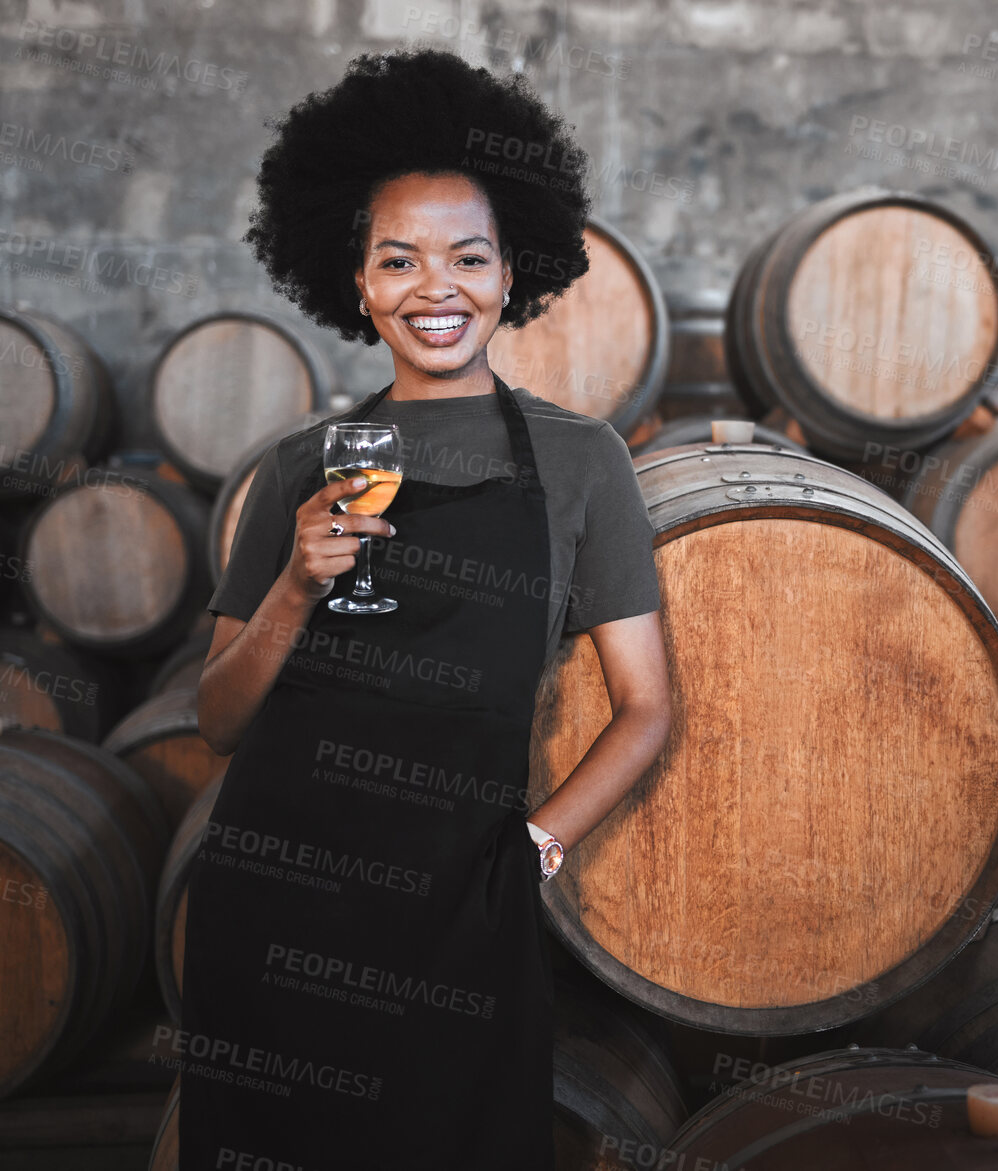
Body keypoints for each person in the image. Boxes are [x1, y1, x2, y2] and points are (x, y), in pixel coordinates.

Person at [183, 48, 671, 1167]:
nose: (433, 288)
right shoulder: (299, 465)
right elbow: (215, 720)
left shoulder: (582, 461)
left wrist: (537, 847)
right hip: (277, 903)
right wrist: (297, 587)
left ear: (513, 273)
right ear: (354, 282)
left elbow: (646, 708)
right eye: (396, 259)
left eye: (466, 256)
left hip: (465, 911)